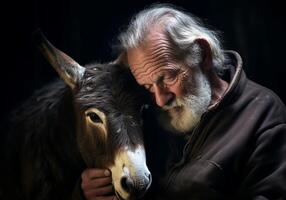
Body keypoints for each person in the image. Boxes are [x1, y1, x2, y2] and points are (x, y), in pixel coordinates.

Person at [80, 4, 286, 200]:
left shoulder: (264, 114)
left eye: (168, 77)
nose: (160, 100)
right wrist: (99, 188)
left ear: (203, 55)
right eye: (148, 87)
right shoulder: (150, 114)